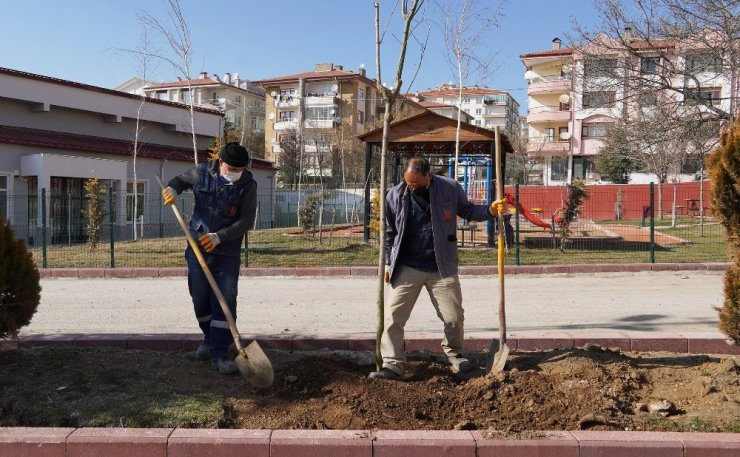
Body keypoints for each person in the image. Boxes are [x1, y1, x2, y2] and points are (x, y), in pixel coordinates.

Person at [369, 156, 506, 380]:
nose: (412, 188)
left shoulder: (449, 188)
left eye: (417, 185)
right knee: (393, 317)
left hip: (441, 266)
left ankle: (454, 354)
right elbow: (389, 233)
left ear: (429, 177)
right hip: (407, 265)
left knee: (454, 317)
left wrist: (490, 211)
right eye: (408, 183)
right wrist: (388, 263)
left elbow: (468, 211)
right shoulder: (394, 195)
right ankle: (393, 365)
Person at [162, 142, 257, 374]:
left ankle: (220, 352)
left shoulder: (248, 185)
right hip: (197, 249)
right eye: (232, 168)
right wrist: (173, 188)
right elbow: (181, 180)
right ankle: (209, 339)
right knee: (200, 300)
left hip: (227, 254)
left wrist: (220, 237)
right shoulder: (202, 172)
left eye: (240, 169)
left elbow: (246, 221)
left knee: (224, 303)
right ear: (221, 163)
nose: (236, 173)